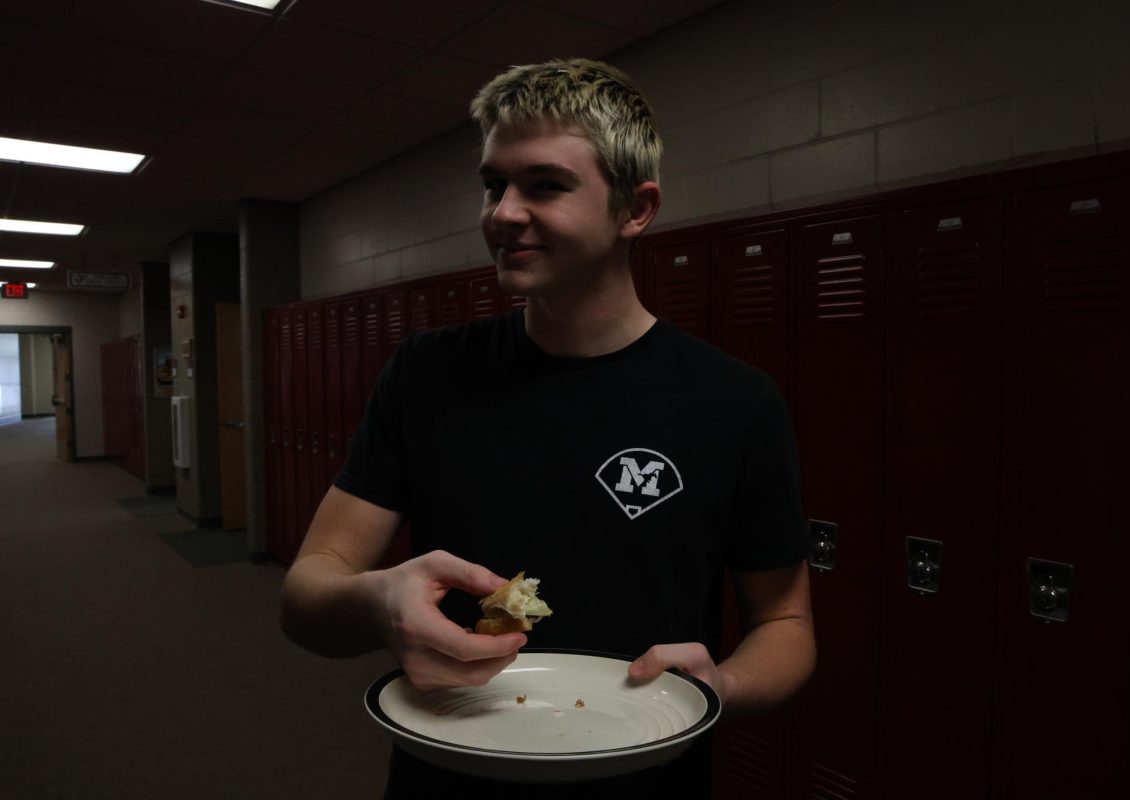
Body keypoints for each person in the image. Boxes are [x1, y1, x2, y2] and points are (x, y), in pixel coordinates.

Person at [279, 58, 816, 798]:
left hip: (645, 774)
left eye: (545, 185)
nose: (502, 212)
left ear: (636, 209)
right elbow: (307, 595)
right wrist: (375, 602)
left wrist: (723, 680)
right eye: (493, 184)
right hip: (448, 775)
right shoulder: (427, 372)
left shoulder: (734, 401)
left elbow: (786, 623)